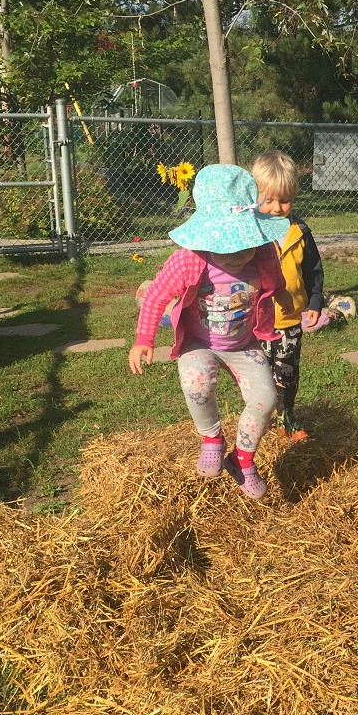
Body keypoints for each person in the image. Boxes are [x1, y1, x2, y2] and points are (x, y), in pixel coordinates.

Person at [129, 164, 292, 500]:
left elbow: (274, 281)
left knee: (266, 400)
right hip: (198, 342)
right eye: (227, 246)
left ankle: (242, 460)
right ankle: (212, 438)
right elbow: (157, 294)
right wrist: (144, 339)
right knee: (197, 384)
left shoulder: (262, 254)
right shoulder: (190, 260)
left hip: (243, 343)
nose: (236, 254)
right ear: (208, 236)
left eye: (243, 244)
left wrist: (283, 295)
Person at [249, 150, 326, 440]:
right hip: (257, 321)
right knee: (259, 375)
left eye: (284, 200)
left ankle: (287, 417)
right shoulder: (250, 232)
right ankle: (259, 416)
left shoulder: (300, 231)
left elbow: (313, 271)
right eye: (268, 200)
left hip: (291, 318)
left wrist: (315, 301)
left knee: (288, 372)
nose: (277, 207)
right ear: (255, 196)